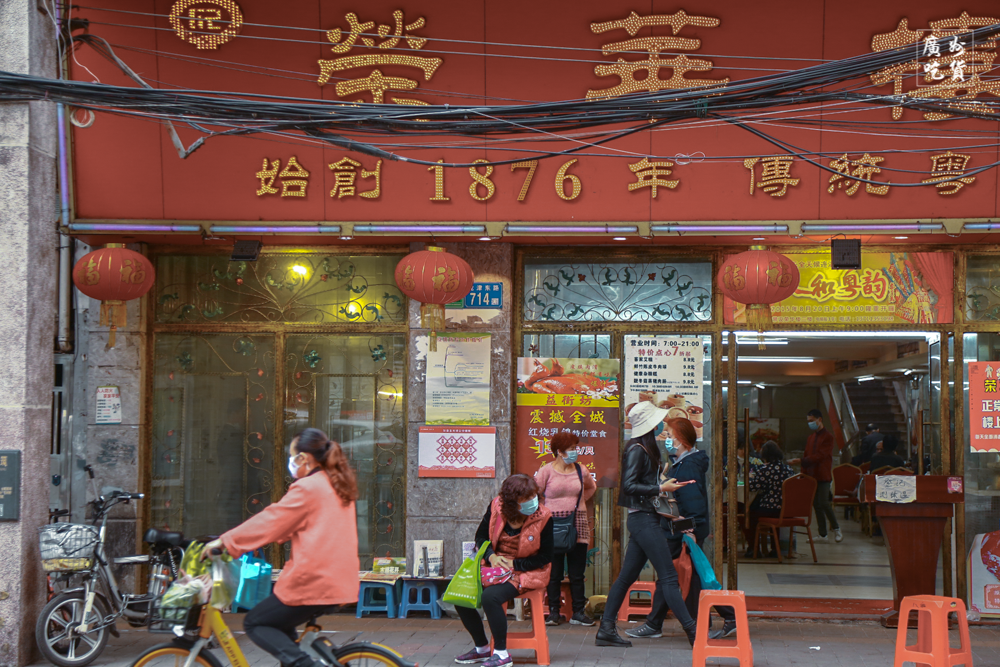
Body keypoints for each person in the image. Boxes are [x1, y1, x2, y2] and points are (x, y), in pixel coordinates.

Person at [206, 428, 359, 667]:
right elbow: (295, 524)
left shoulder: (308, 487)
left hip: (313, 581)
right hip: (339, 579)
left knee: (256, 623)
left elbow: (272, 520)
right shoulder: (336, 484)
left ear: (304, 458)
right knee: (281, 632)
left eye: (291, 455)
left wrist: (226, 542)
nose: (290, 462)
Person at [595, 402, 697, 648]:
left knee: (626, 578)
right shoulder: (637, 449)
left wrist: (659, 479)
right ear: (651, 425)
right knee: (669, 578)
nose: (663, 425)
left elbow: (636, 483)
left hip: (642, 518)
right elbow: (628, 486)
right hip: (644, 520)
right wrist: (661, 487)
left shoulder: (643, 448)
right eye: (659, 421)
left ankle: (606, 629)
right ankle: (694, 633)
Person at [628, 417, 736, 640]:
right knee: (686, 576)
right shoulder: (682, 464)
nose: (666, 440)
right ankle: (719, 618)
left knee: (672, 576)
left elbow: (692, 504)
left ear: (682, 441)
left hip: (682, 531)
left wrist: (691, 531)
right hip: (680, 529)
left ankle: (656, 624)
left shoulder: (687, 467)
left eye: (669, 436)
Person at [454, 474, 553, 667]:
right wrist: (491, 556)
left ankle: (501, 653)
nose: (532, 501)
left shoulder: (544, 517)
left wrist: (515, 565)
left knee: (491, 597)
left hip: (527, 572)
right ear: (511, 503)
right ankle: (482, 648)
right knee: (459, 592)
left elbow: (546, 557)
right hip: (494, 567)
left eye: (533, 496)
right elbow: (480, 537)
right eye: (526, 499)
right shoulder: (496, 508)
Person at [534, 432, 596, 626]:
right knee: (555, 573)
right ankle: (554, 612)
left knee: (577, 572)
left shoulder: (581, 470)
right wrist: (546, 510)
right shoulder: (546, 471)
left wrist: (579, 503)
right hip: (553, 524)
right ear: (559, 452)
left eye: (575, 448)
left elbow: (591, 487)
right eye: (571, 449)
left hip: (577, 522)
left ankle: (578, 612)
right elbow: (535, 493)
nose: (575, 452)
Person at [789, 409, 841, 543]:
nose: (810, 424)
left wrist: (800, 461)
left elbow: (820, 456)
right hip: (811, 476)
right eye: (808, 421)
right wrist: (803, 473)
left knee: (824, 502)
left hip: (822, 475)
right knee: (816, 504)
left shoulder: (828, 437)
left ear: (820, 419)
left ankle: (836, 528)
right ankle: (823, 534)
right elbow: (807, 455)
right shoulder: (811, 438)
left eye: (812, 421)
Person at [745, 441, 795, 558]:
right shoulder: (788, 469)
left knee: (749, 515)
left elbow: (753, 487)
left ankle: (753, 547)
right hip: (786, 510)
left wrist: (750, 479)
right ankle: (774, 548)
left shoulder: (765, 469)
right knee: (771, 513)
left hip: (770, 508)